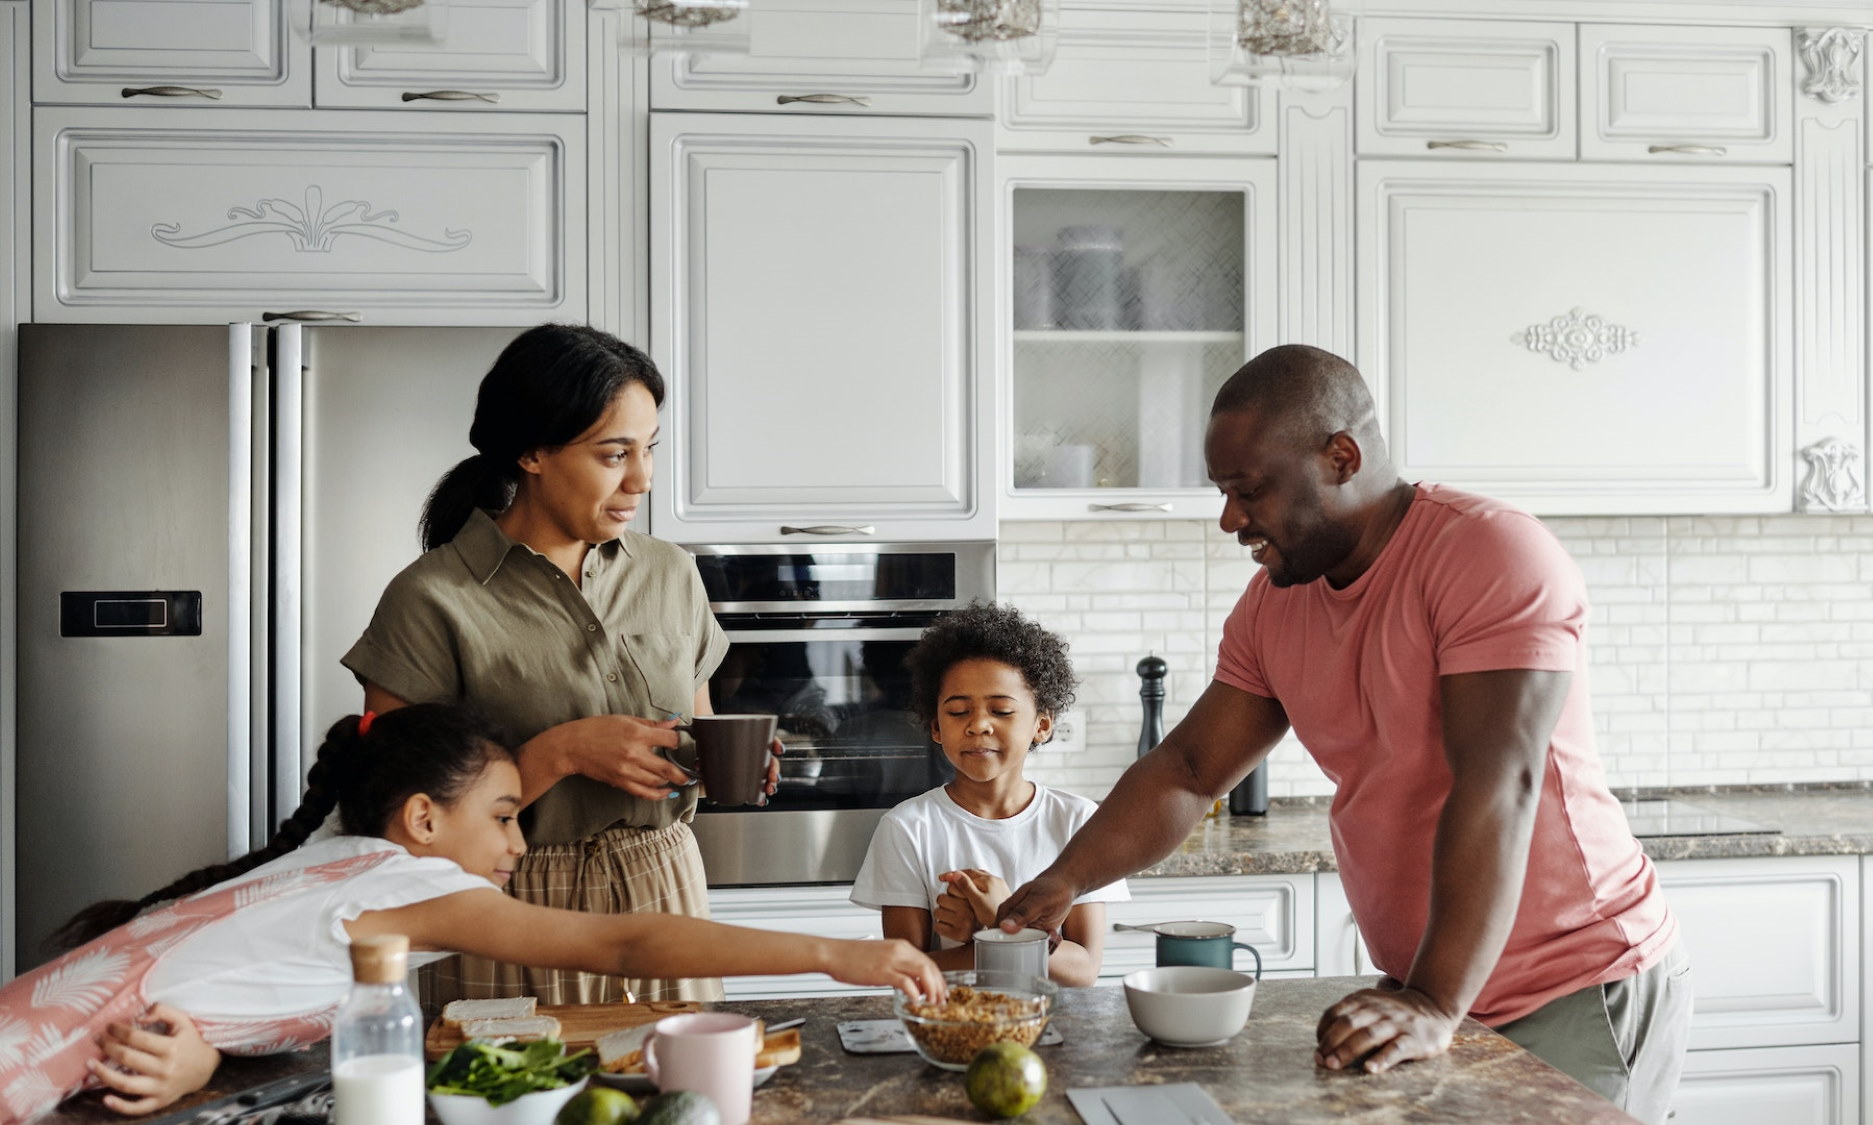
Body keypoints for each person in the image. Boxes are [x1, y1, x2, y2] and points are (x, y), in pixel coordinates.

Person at [995, 345, 1690, 1123]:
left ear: (1341, 457)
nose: (1230, 519)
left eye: (1248, 489)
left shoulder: (1487, 554)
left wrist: (1432, 997)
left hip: (1569, 983)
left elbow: (1499, 783)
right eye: (1224, 493)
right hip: (1427, 990)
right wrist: (1065, 880)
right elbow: (1189, 769)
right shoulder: (1274, 603)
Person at [0, 706, 941, 1125]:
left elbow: (222, 989)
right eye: (502, 816)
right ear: (420, 819)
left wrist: (203, 1057)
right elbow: (621, 940)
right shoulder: (398, 881)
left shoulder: (330, 865)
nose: (518, 845)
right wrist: (839, 952)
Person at [342, 323, 776, 1005]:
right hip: (512, 909)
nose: (643, 478)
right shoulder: (430, 599)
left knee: (684, 1104)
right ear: (532, 452)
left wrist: (719, 761)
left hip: (665, 889)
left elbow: (696, 731)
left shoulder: (672, 574)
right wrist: (563, 751)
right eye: (613, 454)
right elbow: (397, 823)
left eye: (648, 449)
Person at [850, 603, 1127, 988]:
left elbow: (1082, 971)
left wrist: (998, 920)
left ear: (1042, 725)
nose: (978, 725)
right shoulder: (907, 828)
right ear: (935, 727)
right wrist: (998, 936)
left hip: (1058, 1032)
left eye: (1001, 710)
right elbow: (906, 973)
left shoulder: (1078, 821)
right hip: (953, 1032)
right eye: (959, 711)